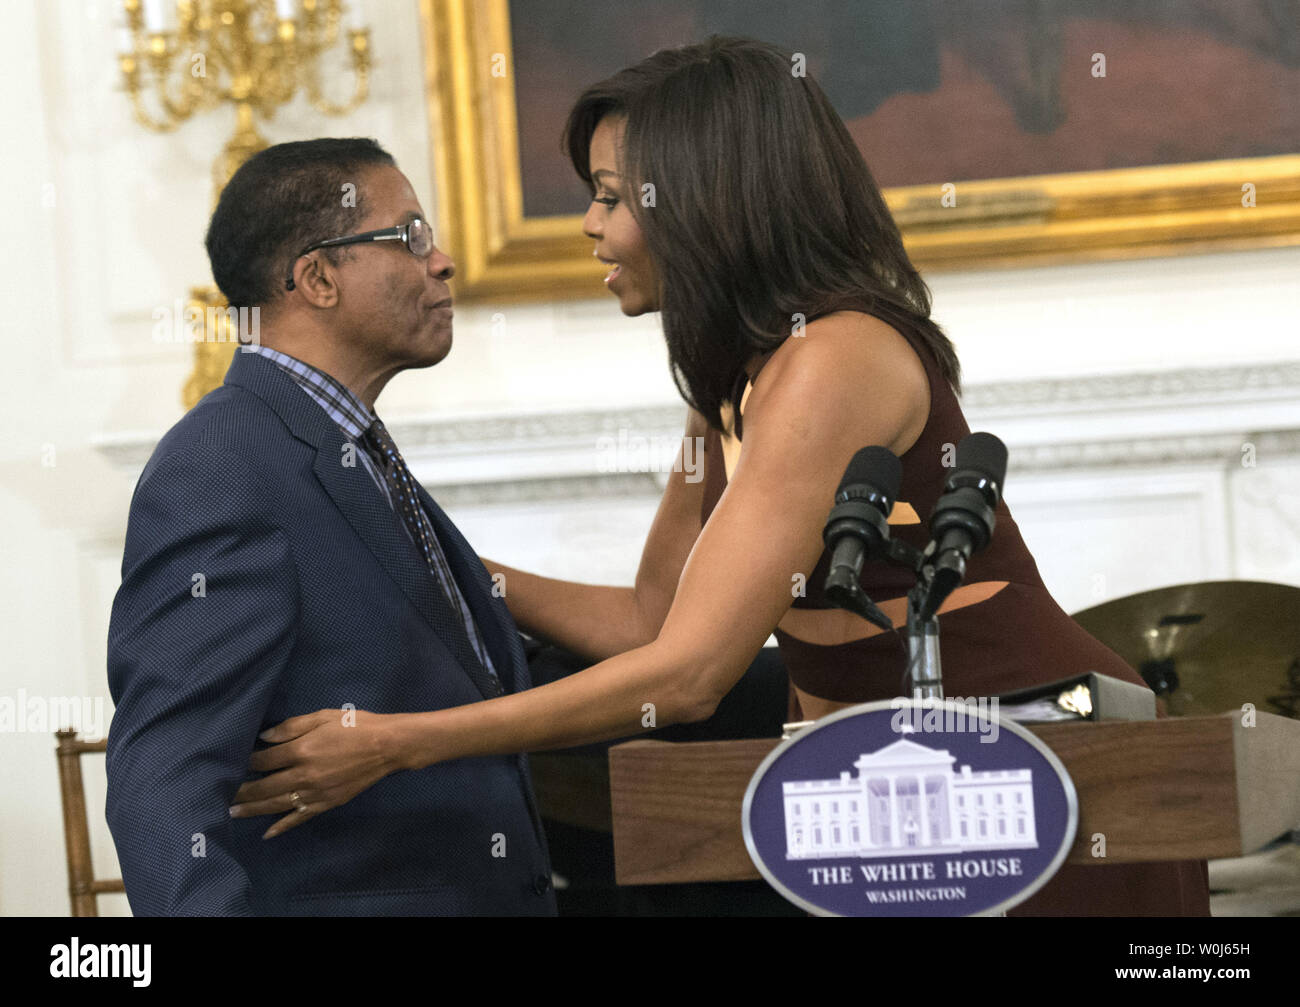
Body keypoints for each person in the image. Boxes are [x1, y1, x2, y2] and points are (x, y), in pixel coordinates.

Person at [231, 39, 1210, 916]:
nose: (588, 224)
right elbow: (655, 620)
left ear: (704, 198)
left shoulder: (835, 356)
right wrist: (451, 563)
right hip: (898, 807)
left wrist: (397, 741)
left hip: (1039, 776)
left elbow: (690, 676)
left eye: (611, 196)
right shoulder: (732, 378)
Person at [105, 138, 558, 915]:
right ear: (318, 278)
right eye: (410, 236)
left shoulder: (346, 444)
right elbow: (160, 786)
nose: (443, 260)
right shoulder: (222, 463)